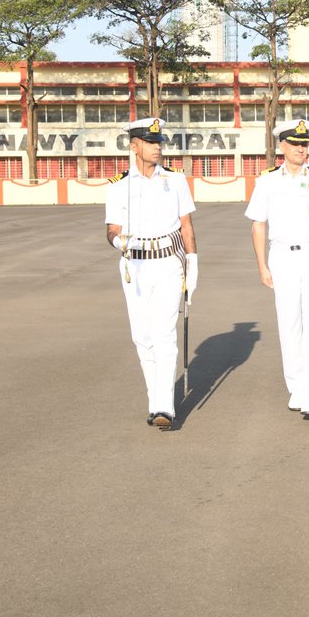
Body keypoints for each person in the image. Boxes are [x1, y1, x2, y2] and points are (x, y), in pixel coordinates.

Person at [245, 118, 309, 421]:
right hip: (282, 257)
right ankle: (296, 386)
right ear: (282, 146)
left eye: (305, 144)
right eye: (296, 144)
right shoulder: (266, 182)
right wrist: (262, 265)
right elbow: (258, 226)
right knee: (288, 323)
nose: (302, 149)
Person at [104, 117, 198, 429]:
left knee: (164, 334)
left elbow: (186, 225)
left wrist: (193, 261)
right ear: (134, 146)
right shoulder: (119, 186)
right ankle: (154, 397)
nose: (157, 147)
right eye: (150, 142)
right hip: (135, 267)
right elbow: (112, 229)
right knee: (142, 337)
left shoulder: (176, 180)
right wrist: (118, 241)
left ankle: (164, 407)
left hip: (169, 262)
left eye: (159, 142)